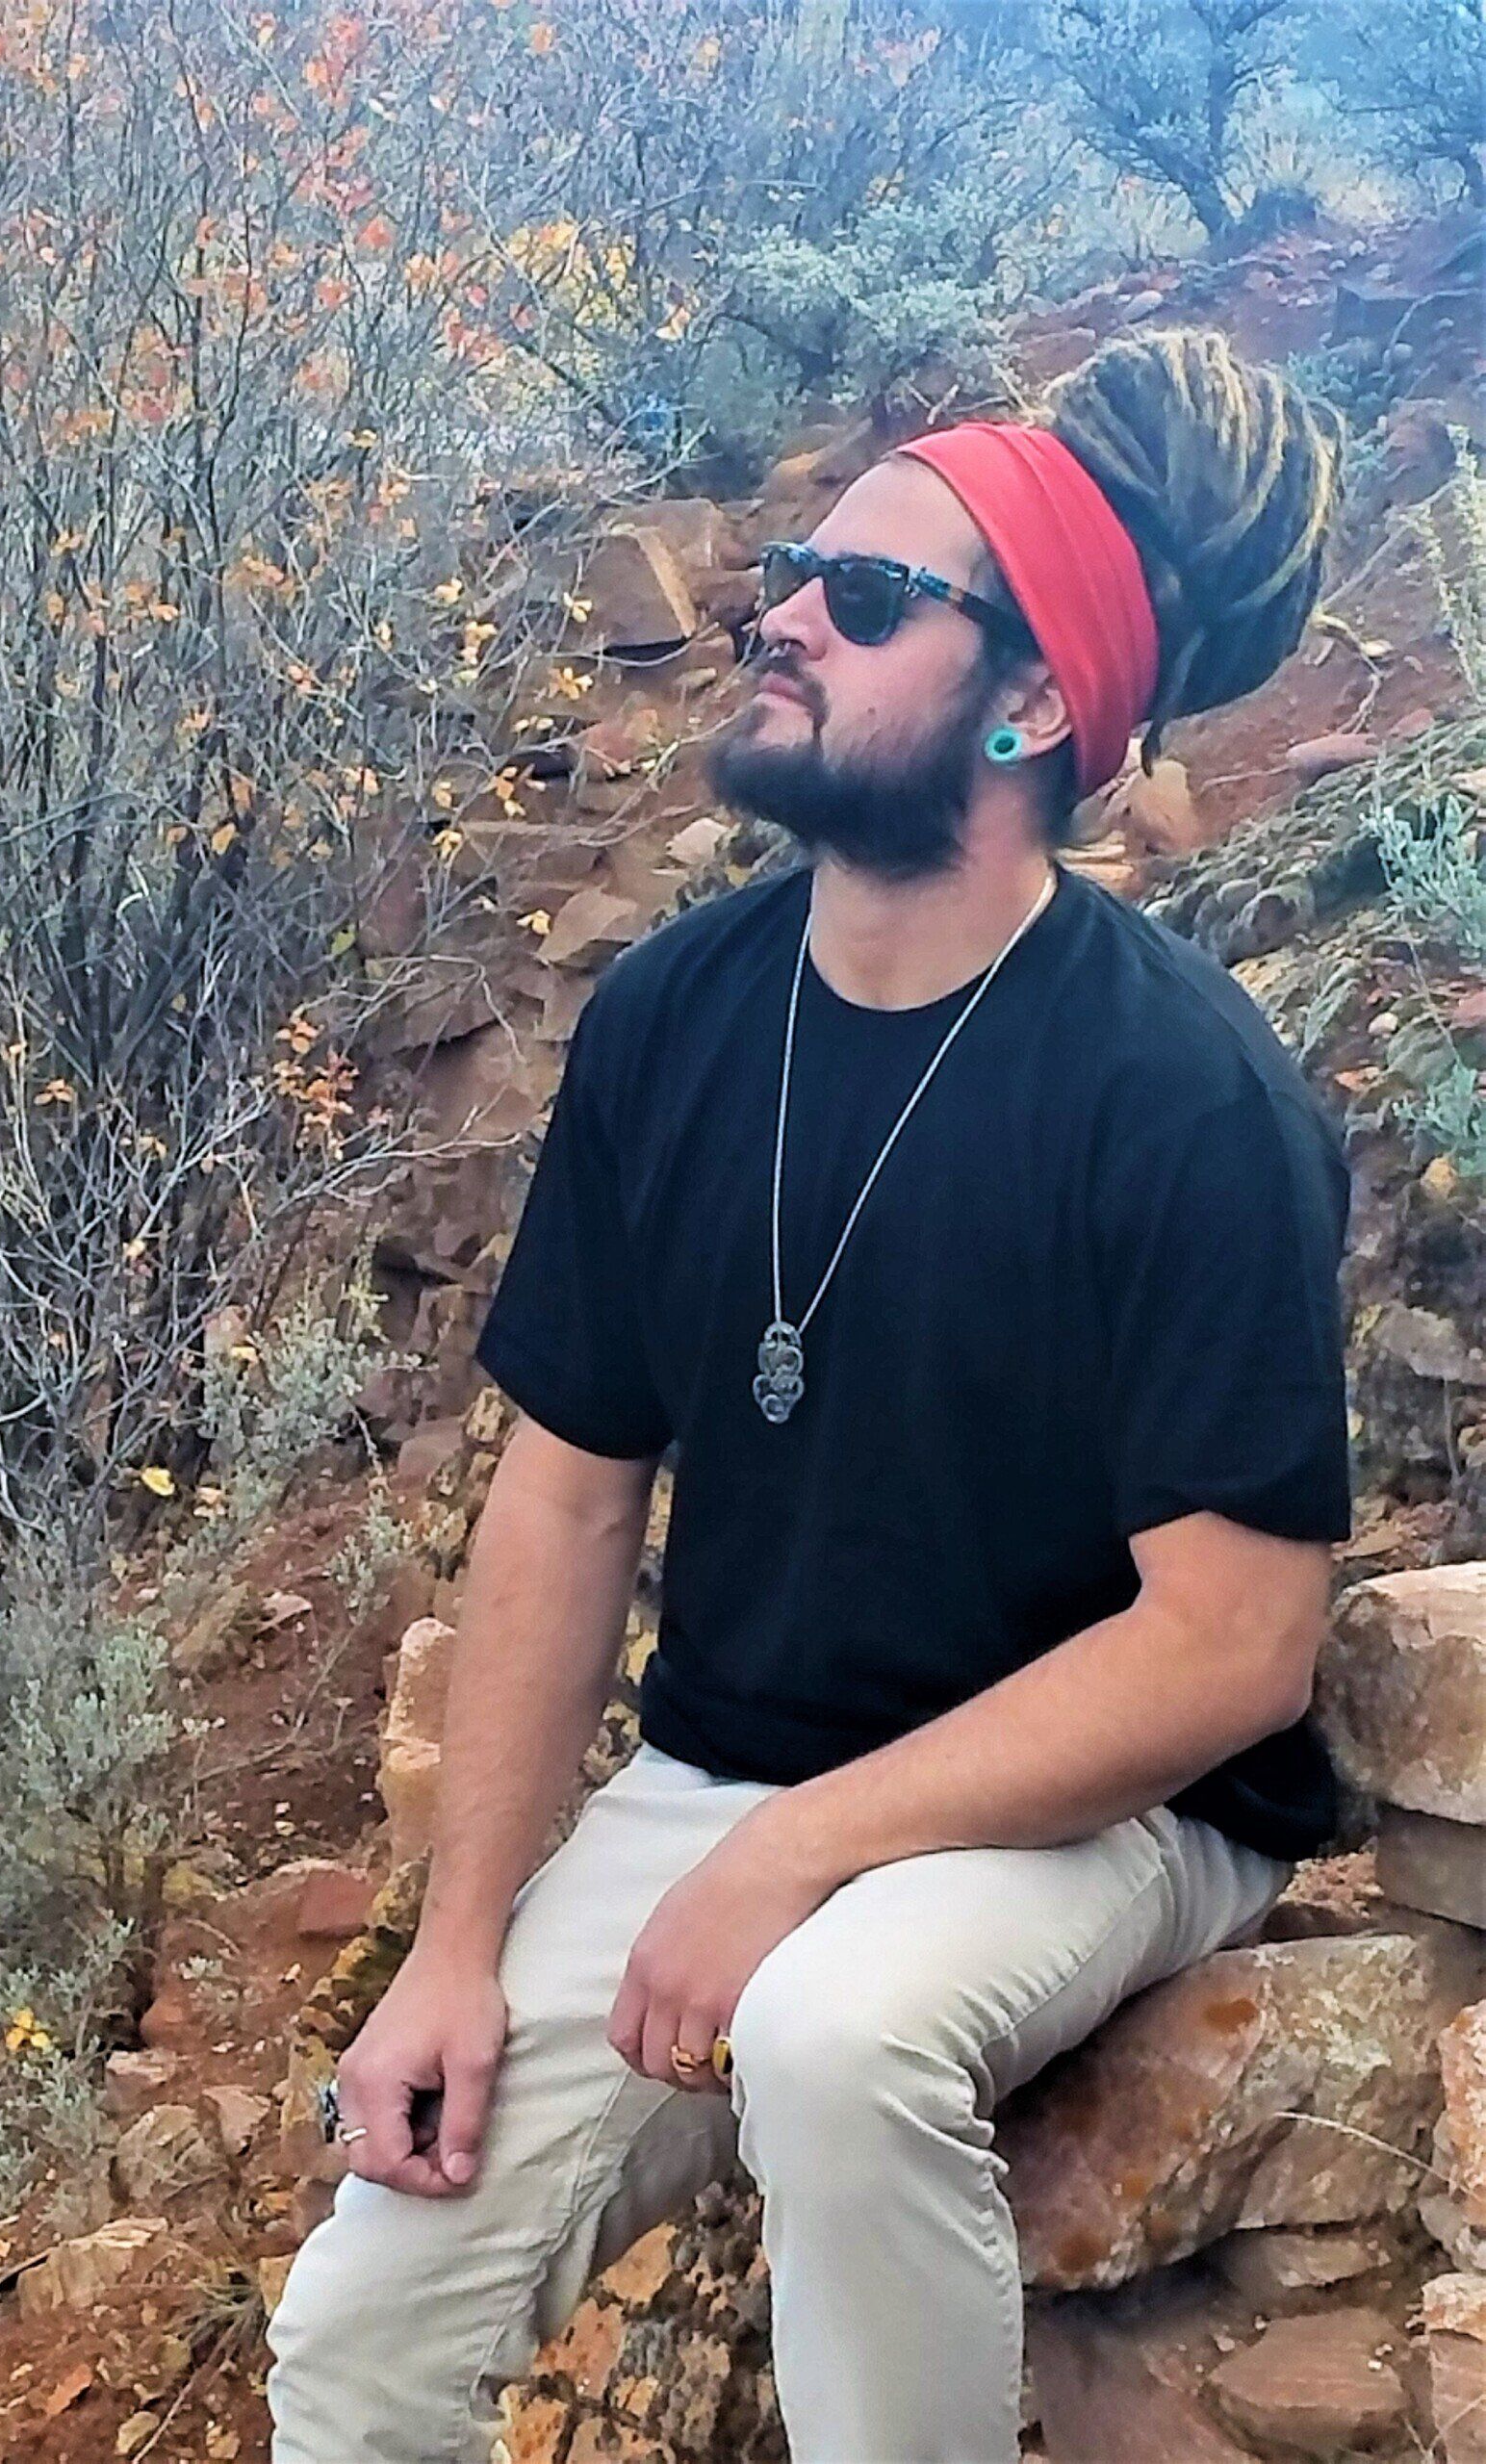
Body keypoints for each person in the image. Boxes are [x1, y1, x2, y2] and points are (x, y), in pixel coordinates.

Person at [266, 328, 1351, 2464]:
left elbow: (1235, 1643)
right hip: (729, 1770)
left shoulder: (1187, 1095)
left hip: (1102, 1804)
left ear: (1034, 702)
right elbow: (569, 1497)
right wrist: (458, 1943)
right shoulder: (675, 1015)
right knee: (360, 2330)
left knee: (841, 2028)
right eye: (790, 563)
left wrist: (807, 1861)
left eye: (864, 596)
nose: (779, 609)